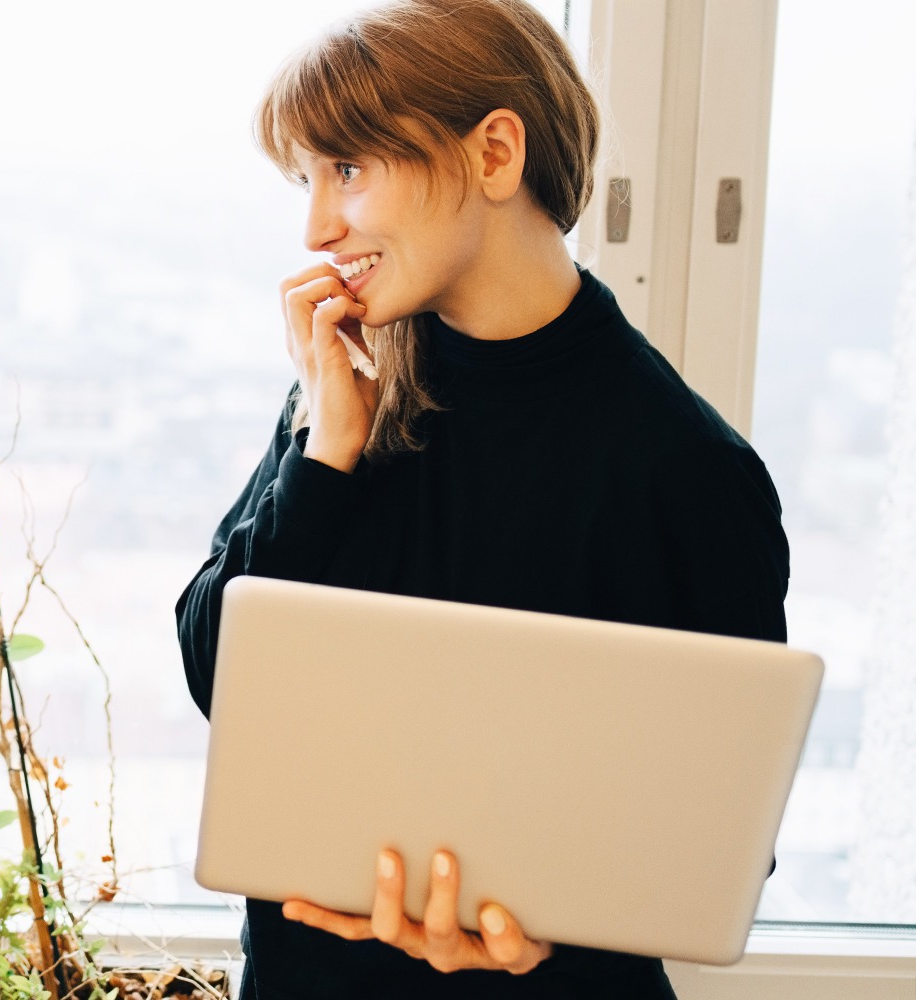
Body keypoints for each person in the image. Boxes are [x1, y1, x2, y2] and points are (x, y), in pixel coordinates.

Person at [173, 1, 787, 997]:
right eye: (305, 179)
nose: (316, 227)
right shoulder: (349, 385)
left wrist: (545, 931)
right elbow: (219, 680)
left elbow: (715, 845)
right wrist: (321, 451)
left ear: (493, 152)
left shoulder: (679, 466)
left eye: (346, 169)